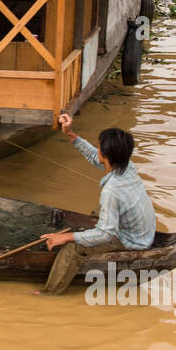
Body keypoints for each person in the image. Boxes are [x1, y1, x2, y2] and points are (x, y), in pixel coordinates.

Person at [38, 113, 157, 293]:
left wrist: (67, 237)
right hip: (144, 232)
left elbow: (105, 234)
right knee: (97, 211)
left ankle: (49, 292)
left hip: (132, 241)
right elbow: (95, 156)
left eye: (99, 147)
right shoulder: (127, 166)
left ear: (106, 155)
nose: (97, 150)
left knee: (72, 248)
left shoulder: (112, 191)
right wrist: (70, 134)